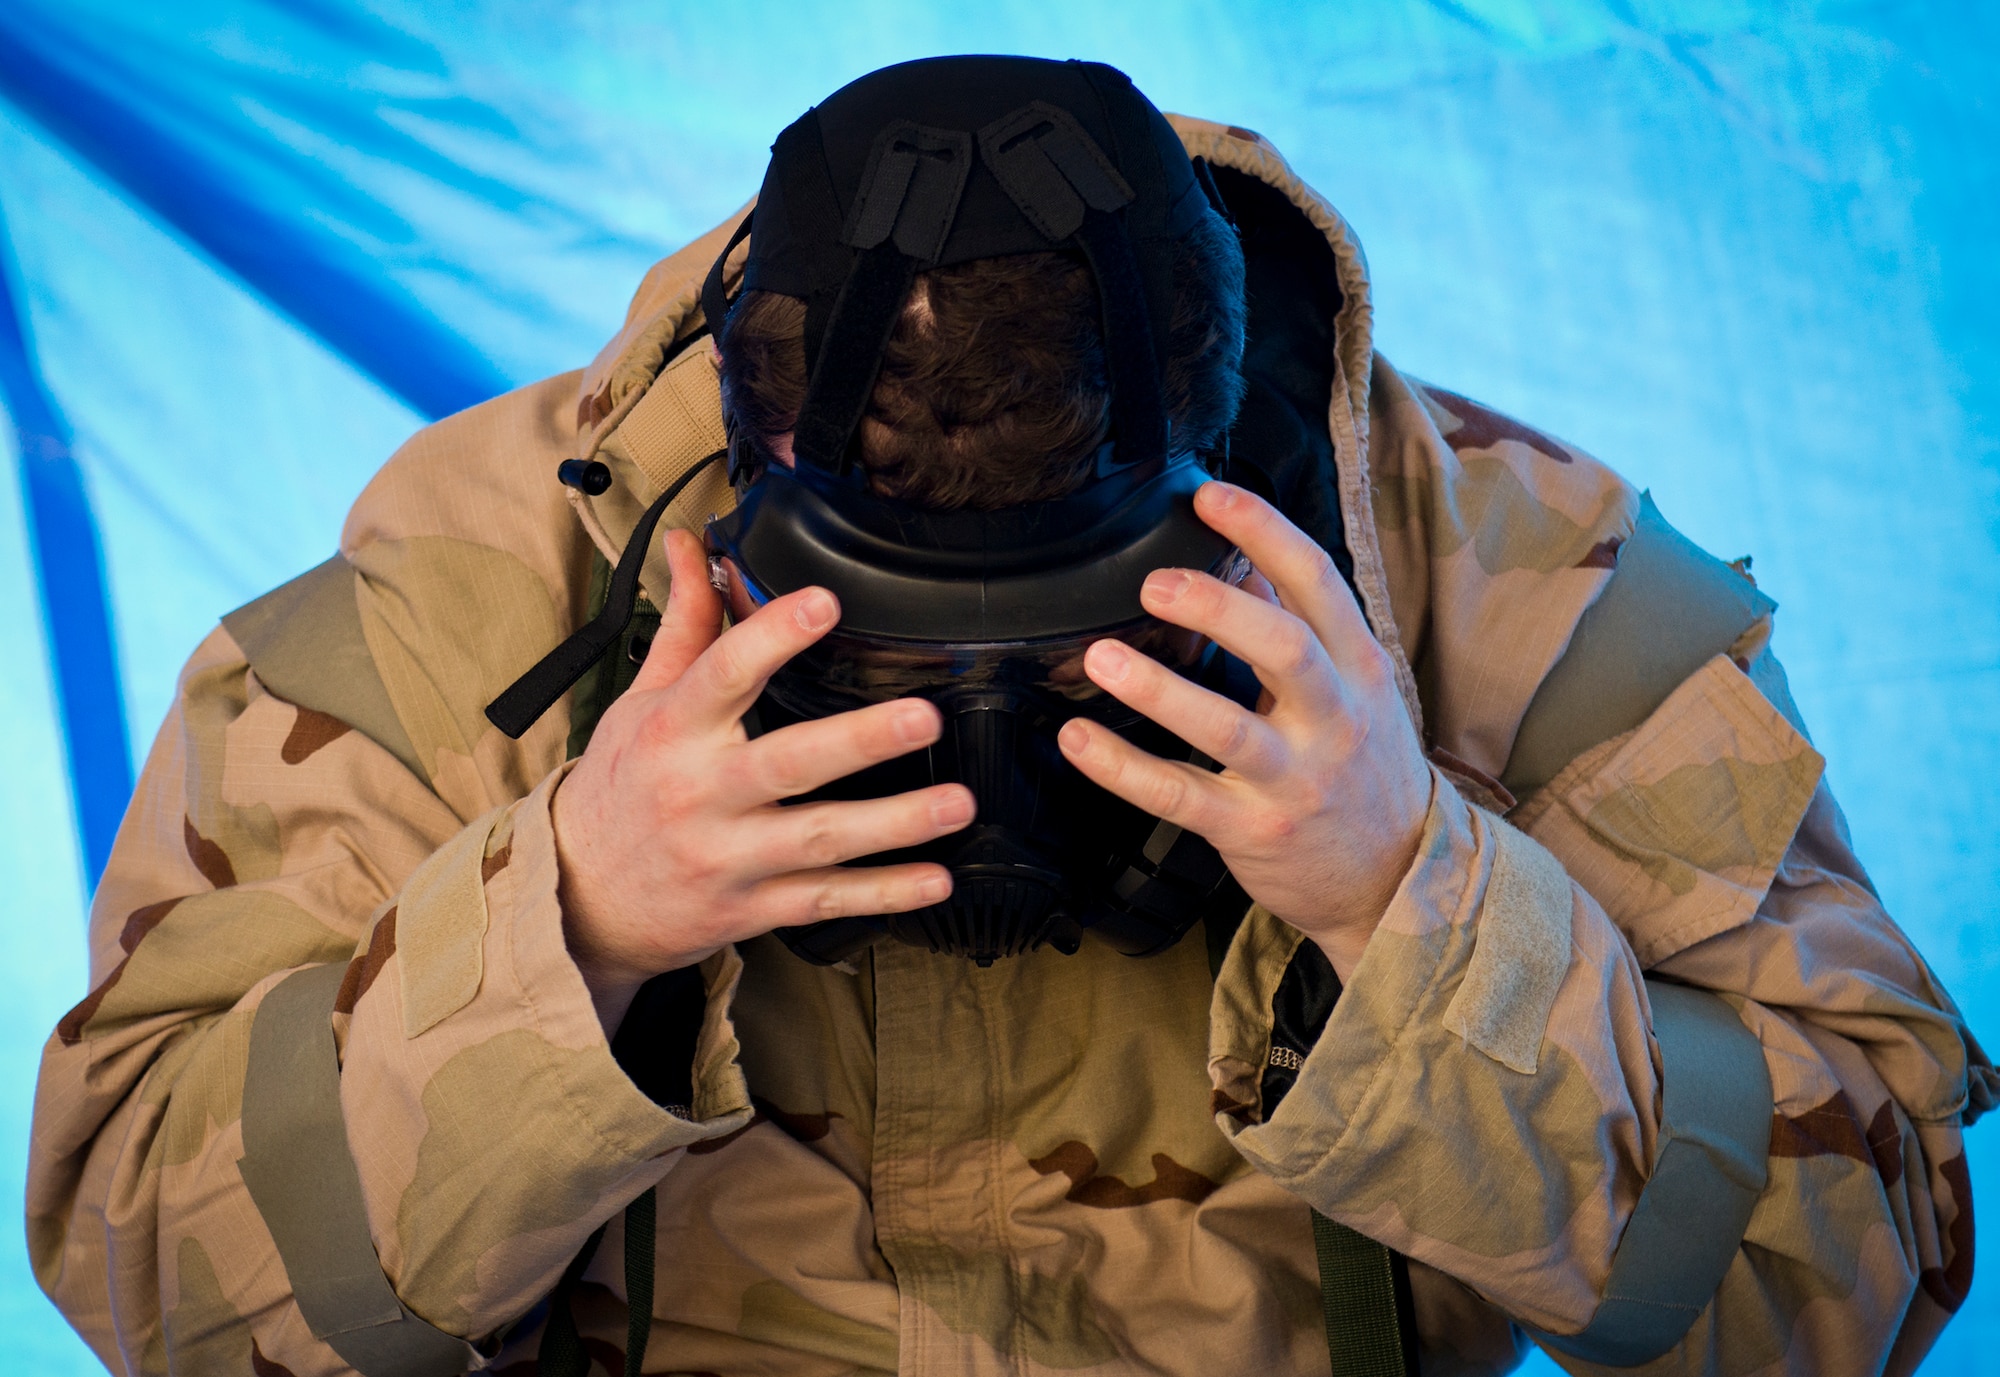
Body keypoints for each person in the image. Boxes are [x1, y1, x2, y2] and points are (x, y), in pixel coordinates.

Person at [29, 55, 1989, 1377]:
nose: (974, 718)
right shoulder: (488, 573)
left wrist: (1411, 898)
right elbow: (144, 1259)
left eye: (1065, 640)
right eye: (884, 636)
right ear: (750, 459)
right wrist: (569, 925)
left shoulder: (1526, 587)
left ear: (1225, 475)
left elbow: (1856, 1288)